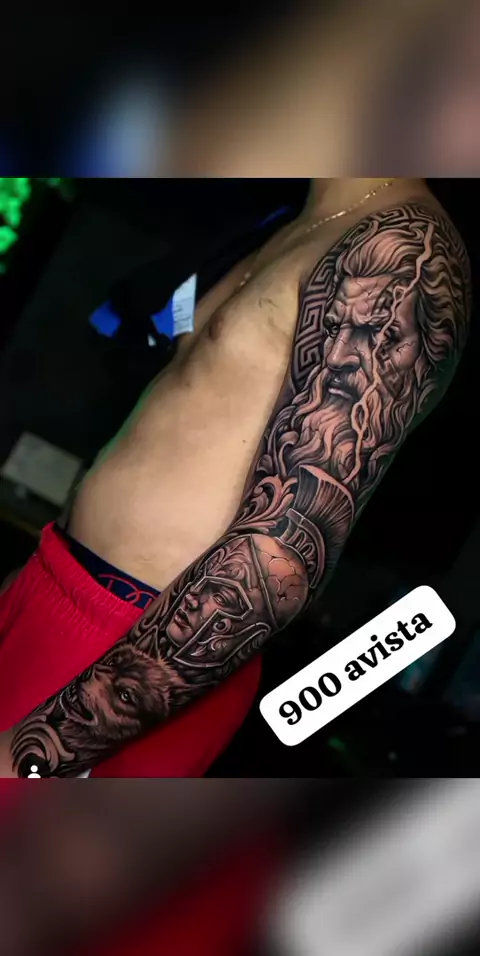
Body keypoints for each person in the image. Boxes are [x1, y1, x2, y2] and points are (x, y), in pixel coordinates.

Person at [0, 177, 471, 777]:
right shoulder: (292, 220)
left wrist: (42, 750)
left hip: (135, 652)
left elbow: (281, 556)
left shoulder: (402, 255)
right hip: (58, 588)